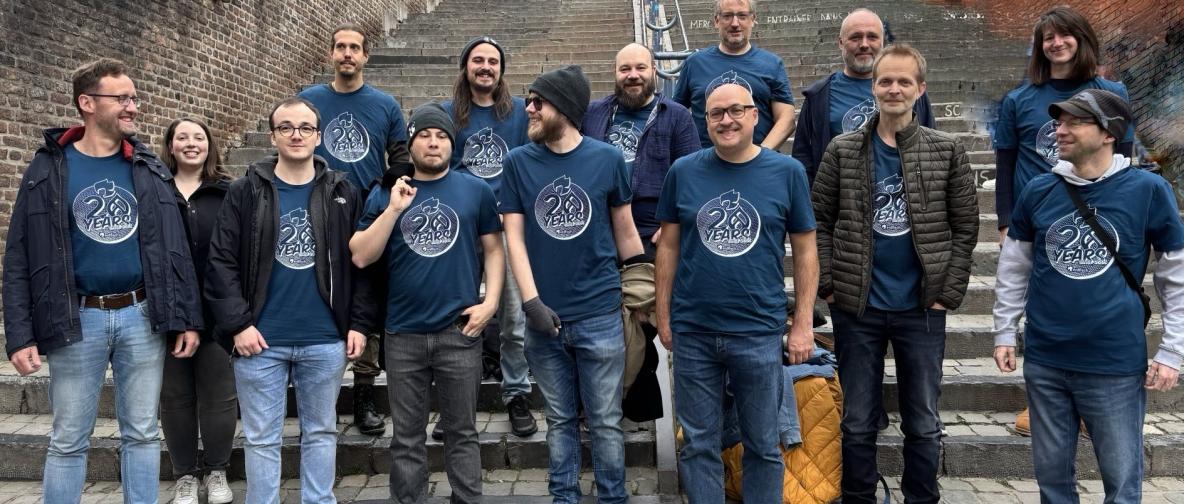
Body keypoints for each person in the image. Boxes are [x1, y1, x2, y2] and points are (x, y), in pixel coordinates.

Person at [2, 57, 203, 503]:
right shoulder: (46, 170)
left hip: (142, 315)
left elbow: (177, 249)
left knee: (144, 435)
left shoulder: (148, 168)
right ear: (87, 103)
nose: (133, 107)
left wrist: (186, 317)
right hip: (76, 320)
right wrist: (19, 335)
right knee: (69, 439)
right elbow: (18, 256)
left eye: (134, 97)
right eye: (122, 98)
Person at [992, 89, 1184, 503]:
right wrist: (1005, 331)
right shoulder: (1039, 190)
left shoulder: (1148, 190)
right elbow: (1014, 266)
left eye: (1073, 122)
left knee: (1121, 484)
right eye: (1058, 122)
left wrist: (1172, 351)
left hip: (1113, 363)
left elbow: (1175, 275)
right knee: (1052, 484)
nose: (1059, 130)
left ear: (1109, 132)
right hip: (1045, 360)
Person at [811, 44, 979, 504]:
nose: (894, 89)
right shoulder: (843, 150)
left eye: (904, 81)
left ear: (920, 90)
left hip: (922, 307)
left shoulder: (947, 151)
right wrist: (830, 284)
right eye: (886, 80)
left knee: (923, 419)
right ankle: (858, 496)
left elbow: (966, 227)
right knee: (858, 419)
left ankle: (921, 498)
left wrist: (948, 291)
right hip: (857, 307)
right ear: (873, 87)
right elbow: (818, 221)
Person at [654, 82, 819, 503]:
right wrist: (664, 315)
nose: (726, 120)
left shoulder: (787, 173)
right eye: (715, 113)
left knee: (764, 445)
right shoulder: (684, 171)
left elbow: (805, 251)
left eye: (735, 110)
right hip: (694, 332)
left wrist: (802, 324)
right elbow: (668, 247)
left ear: (754, 116)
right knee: (698, 445)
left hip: (759, 332)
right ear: (705, 120)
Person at [204, 97, 370, 504]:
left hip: (325, 338)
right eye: (286, 127)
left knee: (321, 431)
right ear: (273, 135)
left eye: (305, 127)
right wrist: (238, 325)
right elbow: (221, 261)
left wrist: (360, 323)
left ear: (319, 136)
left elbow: (362, 263)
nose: (296, 134)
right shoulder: (245, 191)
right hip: (260, 340)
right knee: (261, 438)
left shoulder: (344, 191)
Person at [501, 65, 646, 504]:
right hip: (545, 318)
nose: (529, 108)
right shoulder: (517, 162)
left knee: (604, 419)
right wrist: (531, 303)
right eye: (529, 99)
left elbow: (625, 231)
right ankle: (563, 496)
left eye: (538, 101)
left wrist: (644, 292)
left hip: (601, 313)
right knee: (561, 419)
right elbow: (514, 238)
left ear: (564, 108)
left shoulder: (607, 159)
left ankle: (612, 497)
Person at [351, 103, 503, 504]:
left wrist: (491, 303)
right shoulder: (386, 192)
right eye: (424, 135)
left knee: (462, 432)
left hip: (459, 332)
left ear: (452, 144)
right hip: (403, 334)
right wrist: (394, 210)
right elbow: (361, 254)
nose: (433, 143)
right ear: (411, 143)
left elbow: (494, 249)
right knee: (406, 436)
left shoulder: (476, 190)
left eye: (442, 137)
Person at [299, 23, 409, 435]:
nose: (348, 54)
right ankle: (318, 392)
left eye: (355, 48)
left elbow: (399, 157)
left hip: (368, 215)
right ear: (332, 54)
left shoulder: (384, 105)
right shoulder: (309, 101)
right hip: (317, 210)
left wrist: (385, 200)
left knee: (368, 299)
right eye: (341, 47)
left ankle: (364, 390)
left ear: (365, 56)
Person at [441, 36, 538, 437]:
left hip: (507, 230)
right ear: (465, 66)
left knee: (514, 318)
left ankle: (516, 392)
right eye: (478, 60)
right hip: (463, 230)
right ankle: (454, 405)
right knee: (456, 316)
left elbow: (532, 164)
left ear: (501, 70)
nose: (485, 67)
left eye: (493, 61)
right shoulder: (448, 114)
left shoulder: (518, 114)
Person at [159, 118, 237, 504]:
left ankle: (218, 470)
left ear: (210, 146)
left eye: (199, 137)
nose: (191, 144)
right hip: (169, 313)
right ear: (170, 146)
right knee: (174, 397)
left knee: (219, 395)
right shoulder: (155, 191)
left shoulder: (228, 192)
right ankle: (185, 474)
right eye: (182, 138)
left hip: (216, 309)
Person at [792, 8, 935, 184]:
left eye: (872, 37)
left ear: (883, 42)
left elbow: (932, 151)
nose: (864, 44)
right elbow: (803, 158)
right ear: (841, 42)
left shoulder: (911, 93)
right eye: (855, 37)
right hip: (843, 203)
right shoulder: (818, 96)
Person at [583, 42, 700, 253]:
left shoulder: (677, 116)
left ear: (654, 71)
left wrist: (675, 226)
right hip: (598, 231)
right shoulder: (592, 113)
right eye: (625, 69)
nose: (633, 75)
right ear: (615, 72)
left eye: (641, 68)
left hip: (651, 233)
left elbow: (694, 178)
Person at [673, 0, 796, 149]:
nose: (735, 23)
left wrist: (761, 154)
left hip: (758, 167)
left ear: (753, 19)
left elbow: (786, 118)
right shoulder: (694, 63)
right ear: (716, 21)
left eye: (742, 16)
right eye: (727, 16)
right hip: (705, 165)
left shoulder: (772, 64)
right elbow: (675, 114)